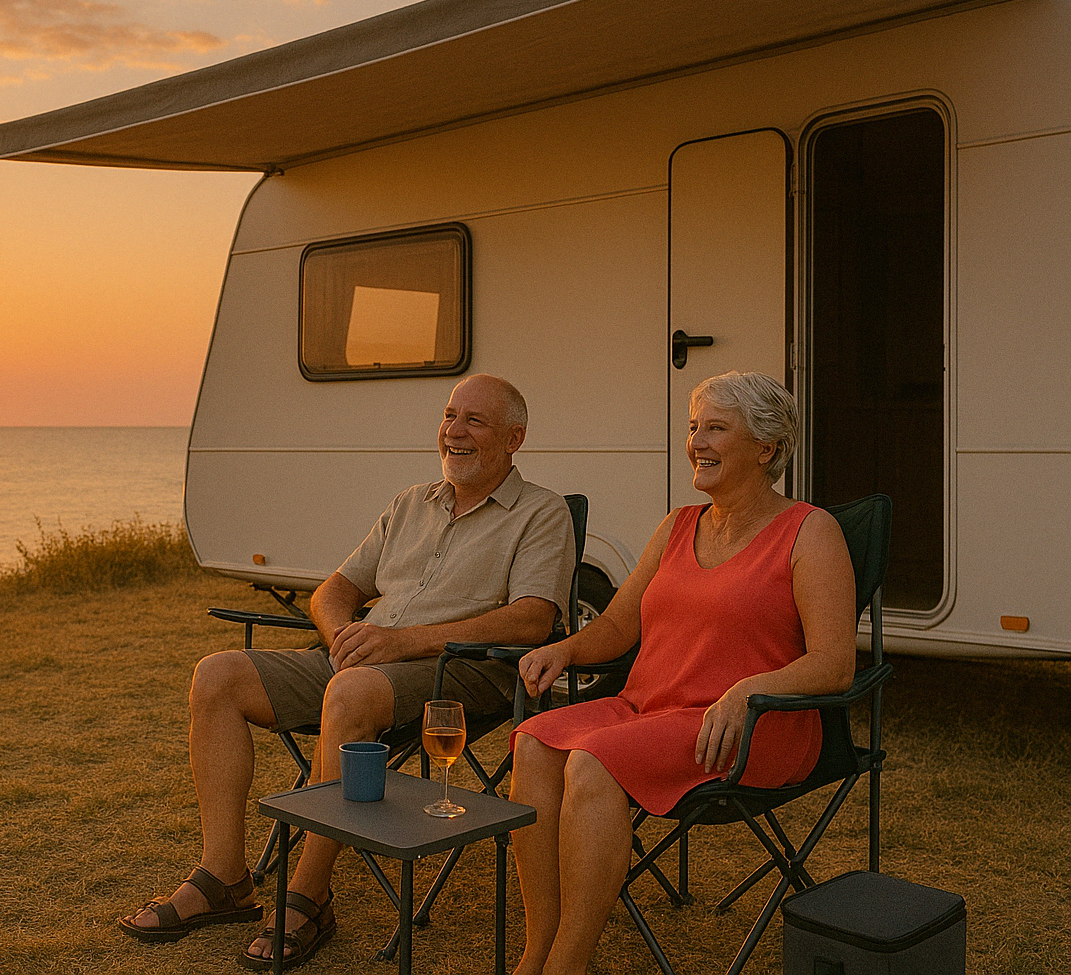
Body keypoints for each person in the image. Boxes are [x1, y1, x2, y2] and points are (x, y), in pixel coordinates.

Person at [118, 373, 575, 970]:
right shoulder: (410, 504)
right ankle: (224, 877)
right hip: (363, 664)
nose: (454, 431)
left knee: (350, 691)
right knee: (217, 675)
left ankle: (309, 894)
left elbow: (533, 619)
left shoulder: (542, 512)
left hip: (459, 673)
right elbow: (333, 591)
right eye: (449, 415)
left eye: (474, 421)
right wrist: (343, 637)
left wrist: (400, 642)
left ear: (514, 438)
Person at [506, 371, 857, 975]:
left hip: (751, 725)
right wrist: (565, 650)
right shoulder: (677, 525)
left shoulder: (809, 530)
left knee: (593, 760)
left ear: (767, 447)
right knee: (534, 742)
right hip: (650, 707)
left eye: (716, 428)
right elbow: (620, 627)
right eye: (694, 427)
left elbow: (835, 663)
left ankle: (567, 965)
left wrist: (747, 690)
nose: (696, 442)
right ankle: (537, 948)